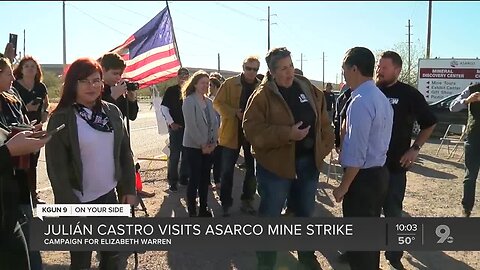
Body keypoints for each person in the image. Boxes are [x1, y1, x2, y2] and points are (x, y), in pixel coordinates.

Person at [243, 47, 334, 270]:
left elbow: (324, 123)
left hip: (307, 165)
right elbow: (251, 130)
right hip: (275, 168)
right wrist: (287, 134)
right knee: (271, 217)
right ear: (272, 72)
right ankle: (266, 263)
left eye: (291, 66)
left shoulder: (309, 89)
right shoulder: (262, 95)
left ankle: (306, 257)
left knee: (304, 213)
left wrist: (321, 150)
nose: (289, 72)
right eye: (283, 68)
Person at [45, 57, 136, 269]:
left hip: (109, 197)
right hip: (79, 202)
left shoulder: (112, 111)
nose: (92, 86)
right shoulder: (61, 118)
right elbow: (56, 169)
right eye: (84, 81)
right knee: (81, 261)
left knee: (112, 256)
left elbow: (125, 153)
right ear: (72, 84)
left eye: (96, 81)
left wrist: (129, 189)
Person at [332, 47, 393, 270]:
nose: (344, 75)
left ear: (354, 68)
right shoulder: (380, 98)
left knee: (359, 245)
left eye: (344, 70)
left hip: (363, 180)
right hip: (378, 174)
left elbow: (357, 154)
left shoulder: (360, 101)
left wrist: (343, 186)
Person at [376, 51, 437, 270]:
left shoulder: (409, 95)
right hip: (369, 167)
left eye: (384, 67)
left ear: (397, 70)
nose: (379, 71)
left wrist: (415, 149)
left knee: (393, 211)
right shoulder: (370, 91)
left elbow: (429, 123)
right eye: (378, 66)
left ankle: (394, 254)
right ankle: (360, 250)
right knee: (367, 212)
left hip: (394, 166)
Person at [0, 54, 50, 270]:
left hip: (17, 183)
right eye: (9, 72)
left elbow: (16, 126)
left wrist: (29, 131)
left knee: (27, 243)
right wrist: (10, 149)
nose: (13, 77)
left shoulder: (10, 100)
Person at [213, 56, 261, 216]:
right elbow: (217, 103)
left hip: (251, 136)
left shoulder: (260, 87)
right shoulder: (229, 83)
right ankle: (225, 204)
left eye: (255, 69)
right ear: (243, 67)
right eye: (249, 68)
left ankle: (247, 201)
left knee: (251, 172)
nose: (252, 72)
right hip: (230, 134)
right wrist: (234, 113)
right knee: (227, 171)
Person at [13, 56, 50, 206]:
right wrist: (26, 109)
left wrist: (45, 113)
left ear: (37, 70)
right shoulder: (14, 86)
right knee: (20, 164)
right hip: (18, 129)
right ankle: (20, 198)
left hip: (37, 128)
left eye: (33, 66)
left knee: (33, 163)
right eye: (26, 66)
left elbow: (46, 104)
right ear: (20, 69)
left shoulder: (40, 87)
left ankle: (33, 196)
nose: (30, 68)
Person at [182, 70, 218, 217]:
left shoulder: (209, 102)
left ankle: (203, 208)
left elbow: (214, 124)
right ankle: (192, 211)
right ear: (195, 84)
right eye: (202, 83)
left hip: (209, 147)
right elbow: (191, 126)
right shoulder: (189, 101)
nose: (205, 86)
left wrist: (213, 143)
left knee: (205, 180)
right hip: (193, 147)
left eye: (207, 83)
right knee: (194, 179)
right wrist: (202, 144)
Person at [450, 82, 480, 218]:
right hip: (474, 138)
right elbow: (453, 107)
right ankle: (466, 209)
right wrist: (467, 100)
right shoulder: (473, 89)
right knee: (470, 176)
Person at [161, 67, 190, 191]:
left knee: (187, 155)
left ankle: (184, 178)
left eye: (186, 75)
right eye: (181, 75)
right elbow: (164, 108)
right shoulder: (171, 90)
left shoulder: (191, 91)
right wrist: (171, 123)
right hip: (176, 128)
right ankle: (172, 181)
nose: (183, 77)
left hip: (189, 129)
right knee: (174, 155)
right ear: (177, 76)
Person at [99, 52, 139, 122]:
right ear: (103, 70)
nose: (118, 77)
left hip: (119, 131)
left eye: (120, 74)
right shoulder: (95, 89)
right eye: (115, 73)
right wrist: (113, 96)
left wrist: (131, 100)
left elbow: (132, 116)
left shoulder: (118, 89)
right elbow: (97, 116)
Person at [208, 75, 223, 189]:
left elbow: (221, 117)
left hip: (218, 133)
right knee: (208, 159)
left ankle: (217, 181)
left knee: (217, 159)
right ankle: (207, 181)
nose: (209, 87)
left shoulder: (220, 100)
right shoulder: (206, 99)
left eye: (211, 85)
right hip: (207, 133)